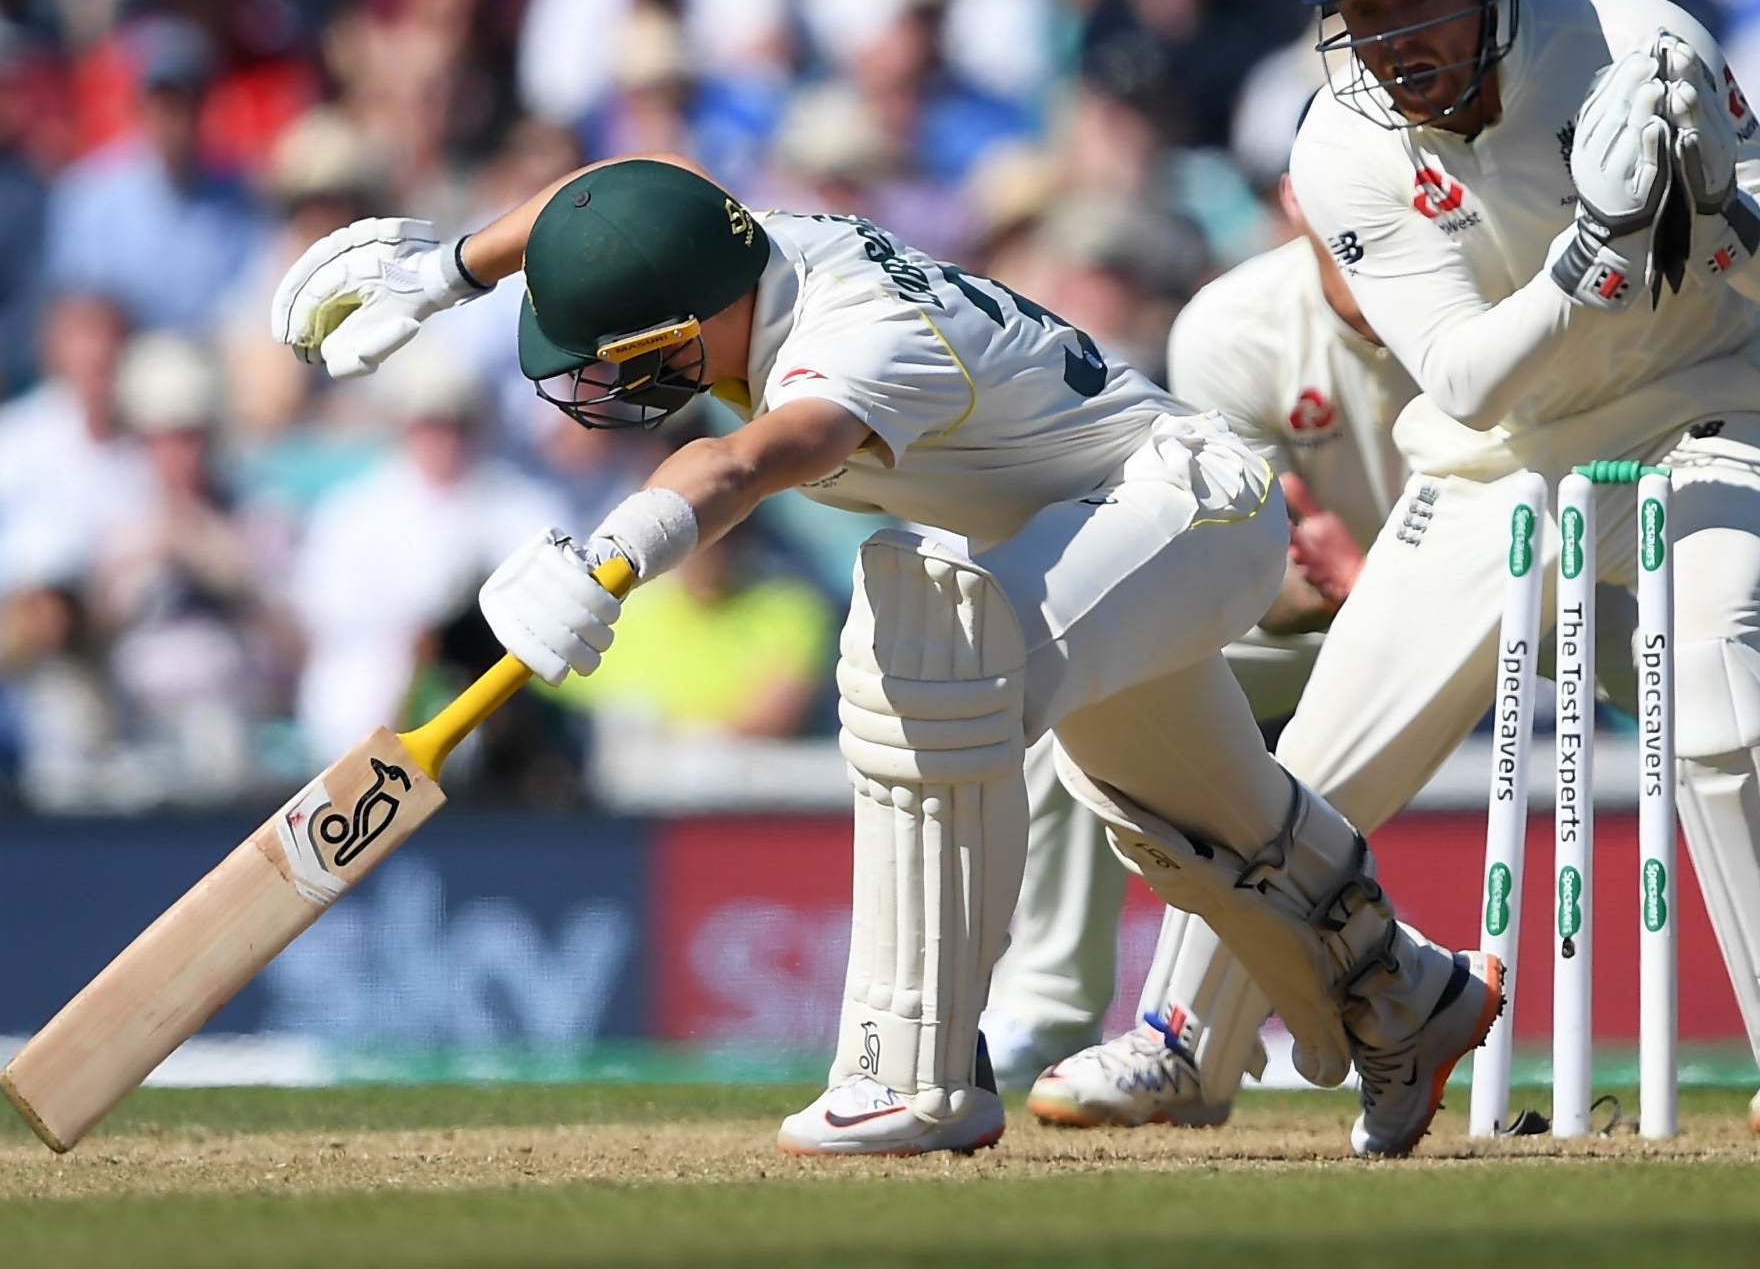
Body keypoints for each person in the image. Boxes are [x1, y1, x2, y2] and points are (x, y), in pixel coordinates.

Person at [267, 156, 1502, 1159]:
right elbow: (619, 189)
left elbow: (752, 460)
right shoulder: (747, 244)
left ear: (684, 325)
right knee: (1183, 818)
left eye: (611, 349)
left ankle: (912, 1070)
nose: (592, 374)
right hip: (1111, 521)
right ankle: (1410, 993)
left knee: (930, 659)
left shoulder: (853, 339)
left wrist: (610, 560)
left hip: (1189, 503)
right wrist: (445, 268)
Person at [1034, 0, 1760, 1138]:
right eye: (1361, 15)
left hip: (1704, 410)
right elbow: (1466, 383)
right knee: (1308, 766)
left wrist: (1728, 213)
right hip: (1496, 458)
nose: (1392, 42)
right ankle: (1179, 1044)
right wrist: (1593, 259)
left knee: (1714, 688)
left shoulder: (1636, 43)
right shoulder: (1342, 148)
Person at [983, 147, 1420, 1088]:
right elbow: (1256, 562)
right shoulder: (1235, 324)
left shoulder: (1471, 288)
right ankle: (1053, 1006)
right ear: (1295, 201)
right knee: (1086, 683)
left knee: (1700, 677)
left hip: (1507, 602)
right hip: (1321, 617)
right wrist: (1331, 585)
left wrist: (1385, 580)